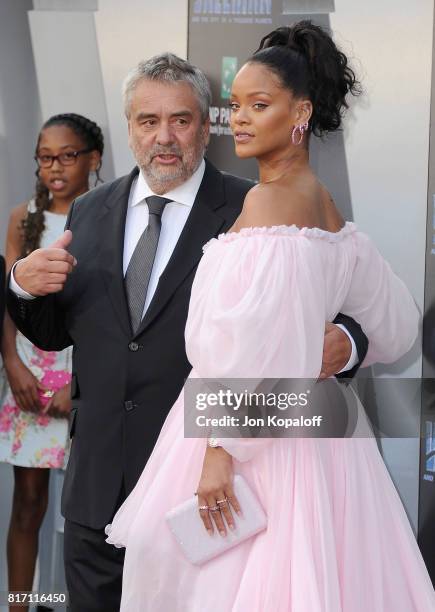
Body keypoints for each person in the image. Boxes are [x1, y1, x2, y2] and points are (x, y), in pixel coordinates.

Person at [6, 53, 368, 611]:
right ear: (129, 127)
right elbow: (60, 334)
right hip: (97, 490)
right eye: (147, 122)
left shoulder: (257, 206)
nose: (164, 137)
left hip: (202, 492)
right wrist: (24, 288)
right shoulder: (90, 210)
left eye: (180, 120)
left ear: (206, 125)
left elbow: (349, 302)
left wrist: (346, 343)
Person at [104, 22, 435, 611]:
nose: (244, 119)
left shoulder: (268, 204)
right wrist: (344, 344)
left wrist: (217, 453)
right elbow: (398, 326)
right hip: (324, 441)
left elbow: (241, 351)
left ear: (301, 112)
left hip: (249, 442)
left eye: (261, 105)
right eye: (237, 105)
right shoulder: (328, 209)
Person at [0, 113, 103, 611]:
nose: (56, 167)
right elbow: (10, 298)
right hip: (30, 378)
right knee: (28, 503)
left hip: (86, 376)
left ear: (94, 159)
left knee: (85, 507)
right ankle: (21, 604)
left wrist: (79, 381)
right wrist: (14, 368)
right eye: (46, 157)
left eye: (68, 155)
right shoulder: (23, 218)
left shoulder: (106, 214)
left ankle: (65, 601)